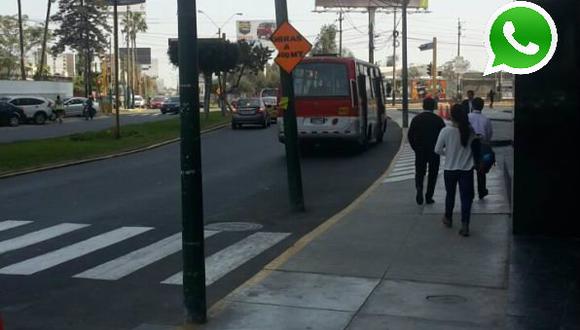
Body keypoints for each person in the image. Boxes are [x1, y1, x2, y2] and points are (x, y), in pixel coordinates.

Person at [435, 104, 480, 237]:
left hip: (450, 169)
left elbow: (437, 150)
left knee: (450, 194)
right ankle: (465, 225)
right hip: (466, 170)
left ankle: (448, 218)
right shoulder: (471, 131)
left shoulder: (446, 131)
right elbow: (476, 149)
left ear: (451, 116)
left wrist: (448, 153)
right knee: (466, 198)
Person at [408, 97, 446, 205]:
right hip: (434, 150)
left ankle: (419, 188)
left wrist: (415, 148)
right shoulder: (438, 120)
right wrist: (440, 147)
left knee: (420, 172)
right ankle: (429, 196)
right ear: (434, 106)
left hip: (420, 150)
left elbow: (410, 135)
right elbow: (443, 136)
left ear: (423, 106)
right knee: (433, 174)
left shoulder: (417, 119)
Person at [469, 97, 493, 199]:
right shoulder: (486, 119)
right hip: (482, 146)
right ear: (483, 107)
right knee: (481, 170)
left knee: (468, 170)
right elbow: (489, 134)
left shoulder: (467, 117)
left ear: (472, 106)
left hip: (469, 147)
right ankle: (482, 191)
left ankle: (470, 192)